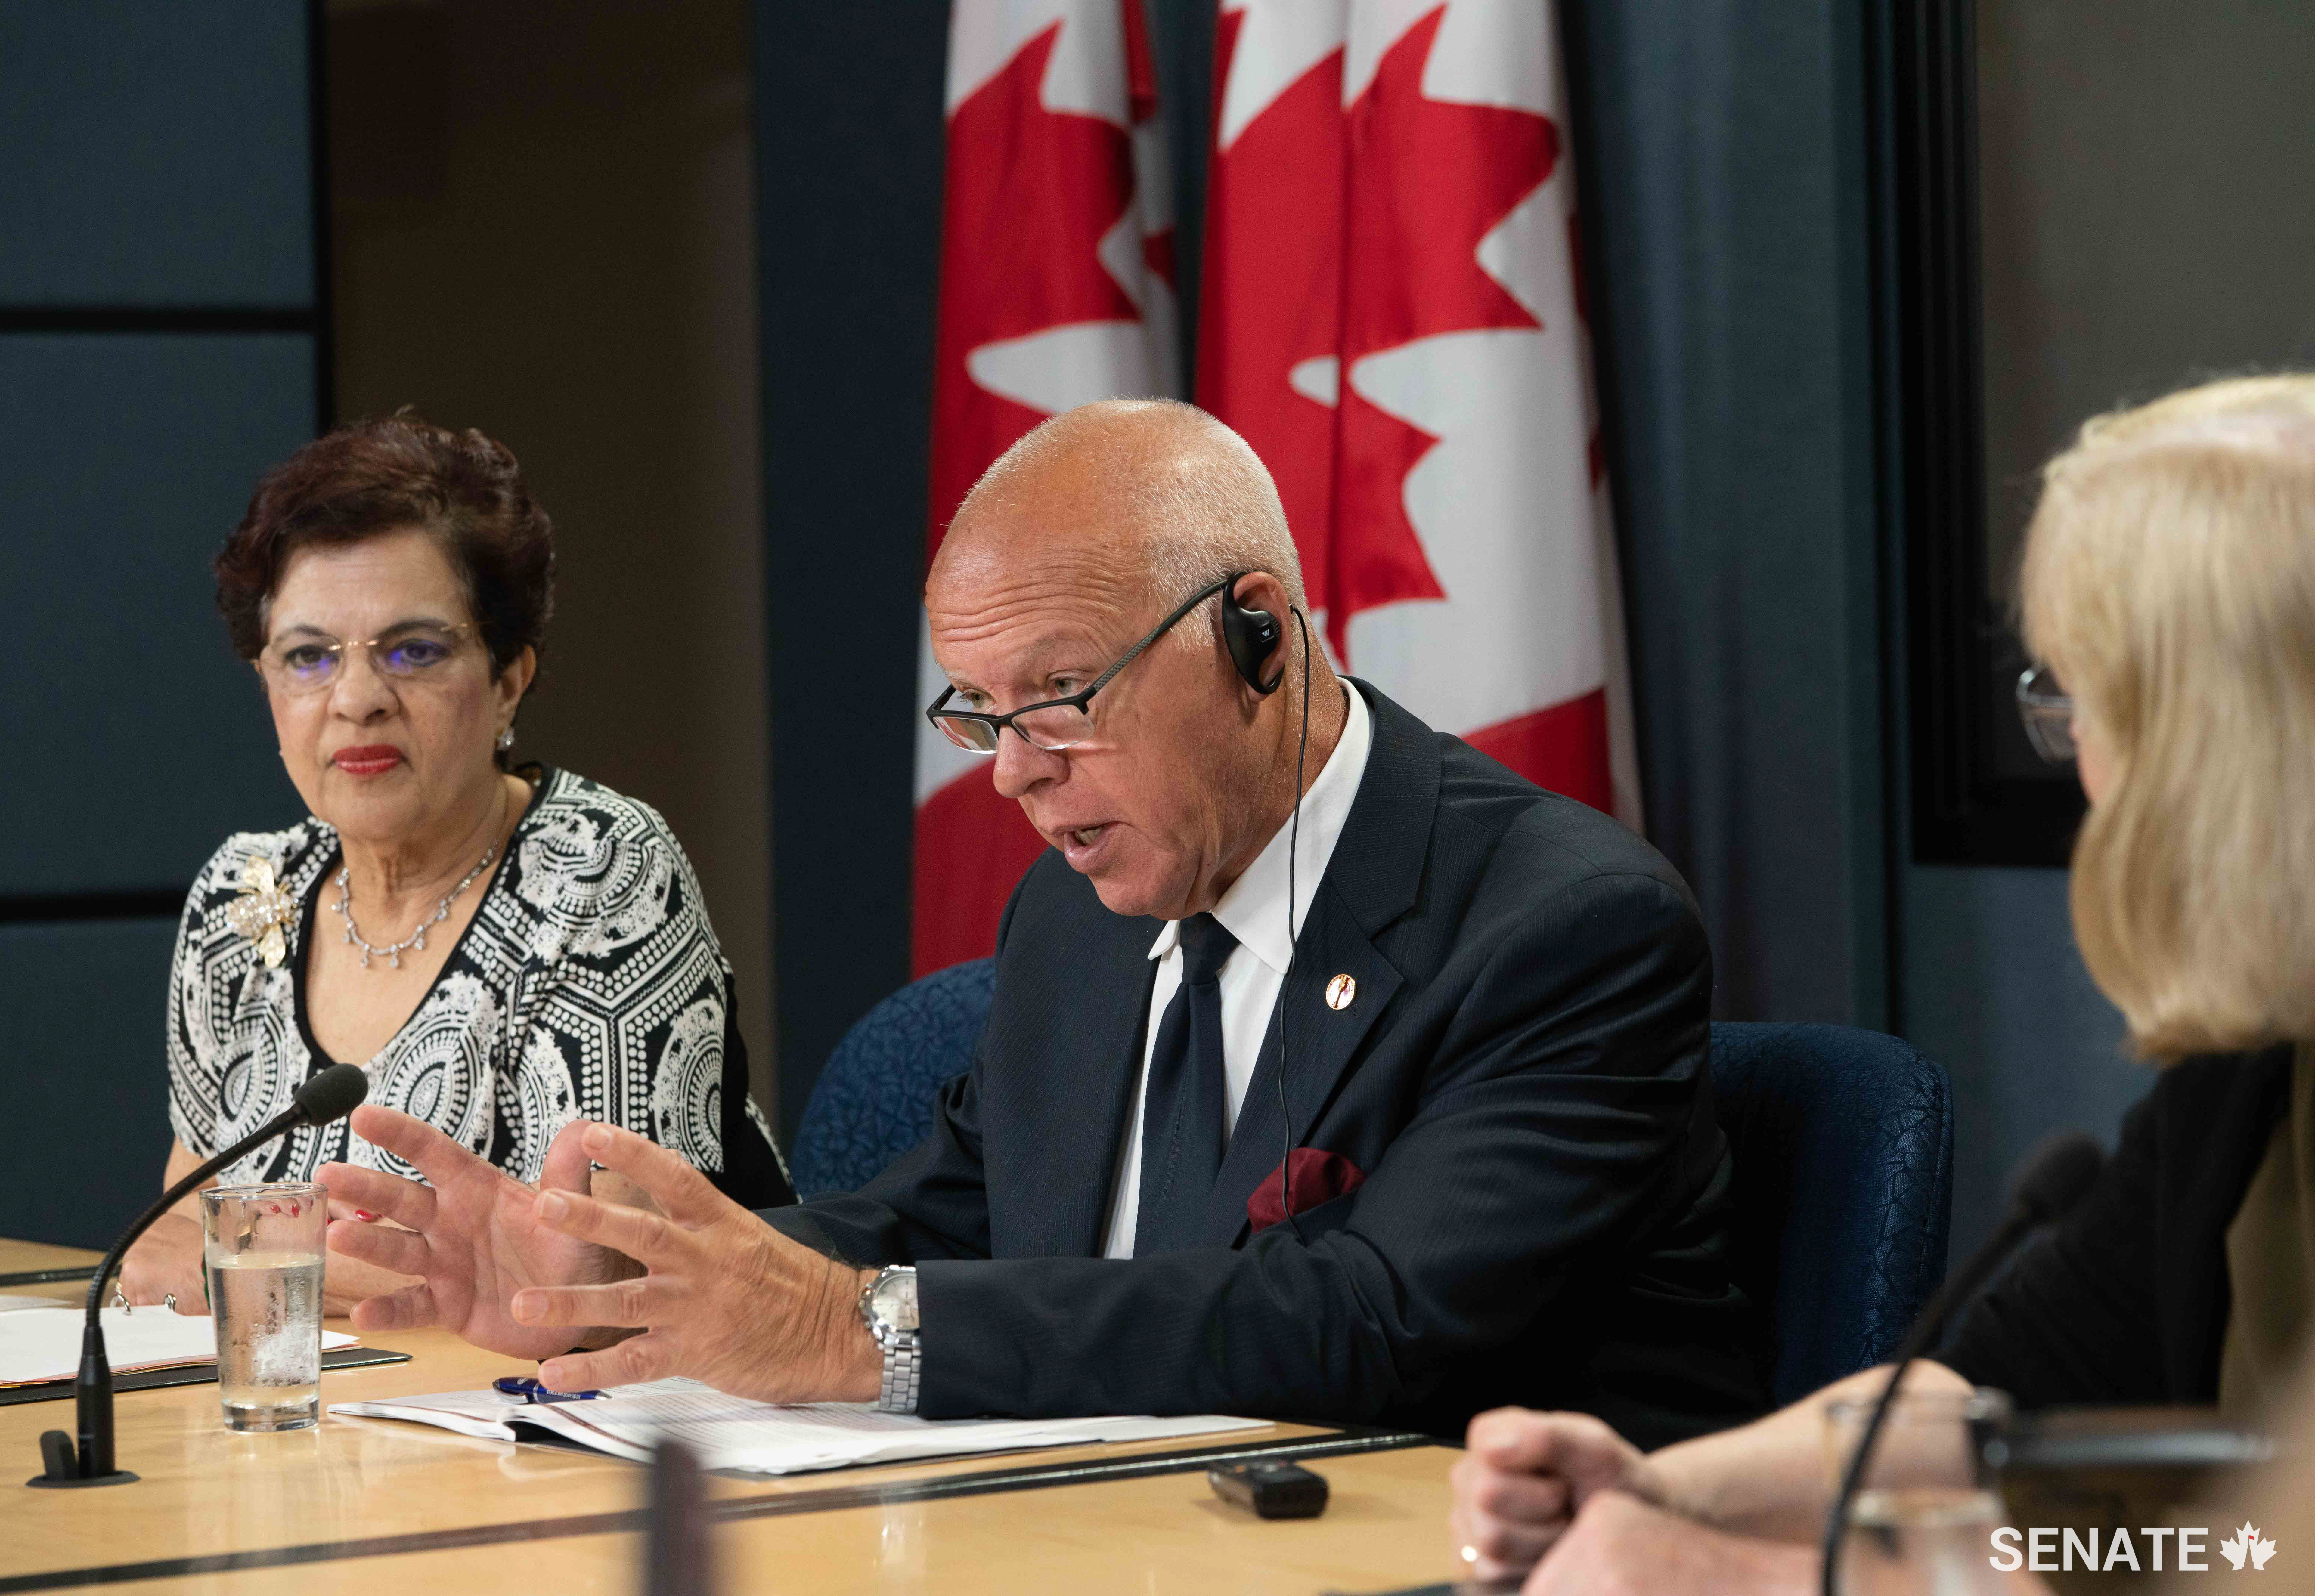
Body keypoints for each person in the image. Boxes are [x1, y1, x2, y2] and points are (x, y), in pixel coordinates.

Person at [321, 398, 1763, 1440]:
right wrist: (619, 1285)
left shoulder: (1562, 929)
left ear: (1254, 635)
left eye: (1061, 699)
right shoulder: (1075, 918)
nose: (1013, 776)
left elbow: (1363, 1322)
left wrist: (846, 1334)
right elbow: (943, 1217)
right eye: (978, 715)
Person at [1447, 373, 2315, 1590]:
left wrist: (1749, 1580)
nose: (2080, 772)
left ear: (2211, 743)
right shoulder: (2253, 1056)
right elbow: (1989, 1406)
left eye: (2079, 708)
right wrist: (1663, 1486)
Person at [116, 413, 792, 1318]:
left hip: (583, 1438)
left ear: (510, 677)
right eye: (309, 657)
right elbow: (157, 1256)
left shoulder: (599, 873)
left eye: (414, 651)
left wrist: (245, 1257)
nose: (357, 700)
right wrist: (358, 1270)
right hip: (320, 1433)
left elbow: (596, 1289)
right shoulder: (245, 899)